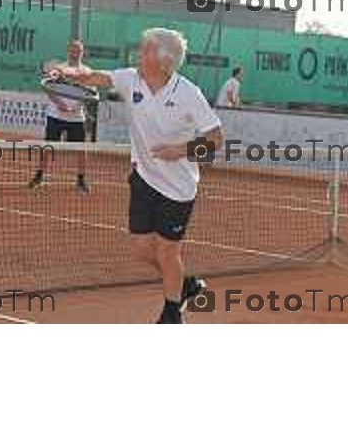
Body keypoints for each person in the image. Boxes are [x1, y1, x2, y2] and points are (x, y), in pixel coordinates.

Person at [56, 28, 224, 324]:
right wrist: (67, 71)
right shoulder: (130, 78)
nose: (138, 53)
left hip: (179, 187)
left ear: (164, 59)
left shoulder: (188, 93)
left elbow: (216, 138)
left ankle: (171, 315)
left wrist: (182, 150)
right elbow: (95, 77)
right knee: (142, 249)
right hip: (144, 177)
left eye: (146, 49)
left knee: (168, 251)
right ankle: (184, 285)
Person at [29, 39, 90, 193]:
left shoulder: (88, 72)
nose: (75, 53)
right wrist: (59, 104)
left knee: (81, 149)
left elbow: (88, 94)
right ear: (68, 51)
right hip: (55, 115)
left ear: (82, 53)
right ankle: (39, 175)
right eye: (73, 50)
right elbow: (49, 88)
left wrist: (75, 107)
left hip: (76, 118)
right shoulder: (58, 69)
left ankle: (81, 179)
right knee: (48, 147)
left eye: (79, 50)